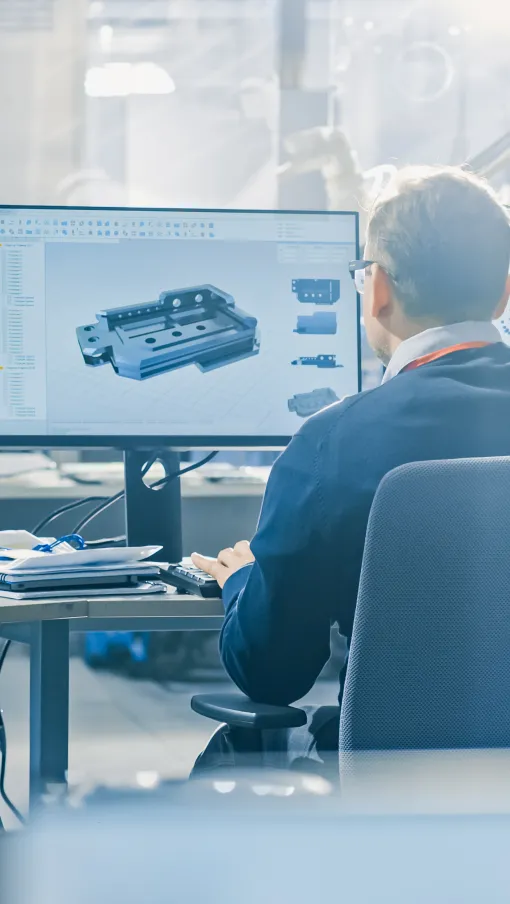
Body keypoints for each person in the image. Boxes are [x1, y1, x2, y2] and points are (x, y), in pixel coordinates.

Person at [191, 165, 510, 778]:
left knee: (232, 760)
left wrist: (243, 583)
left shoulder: (331, 444)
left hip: (388, 788)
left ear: (378, 289)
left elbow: (271, 672)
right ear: (503, 294)